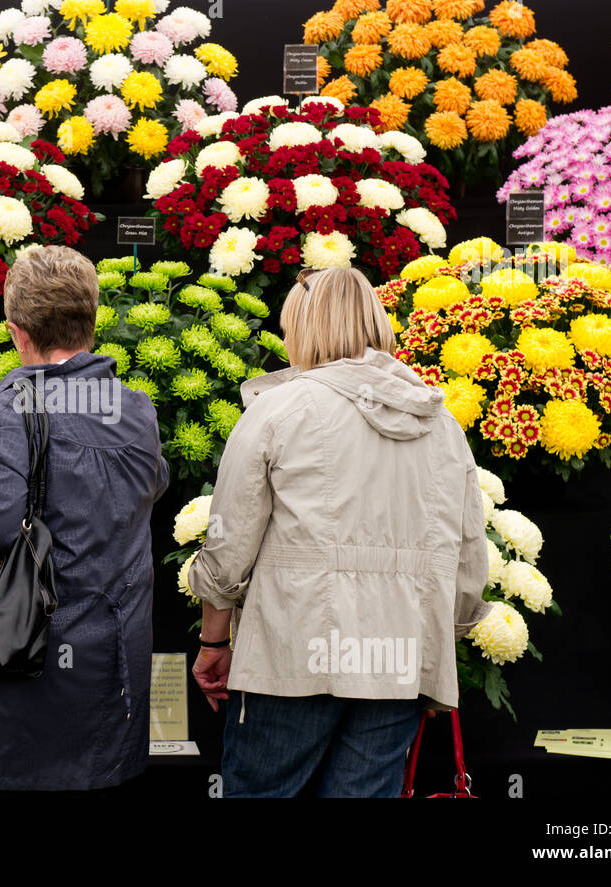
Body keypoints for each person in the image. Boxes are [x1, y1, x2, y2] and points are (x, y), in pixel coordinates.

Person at [189, 267, 491, 798]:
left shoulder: (277, 409)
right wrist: (445, 636)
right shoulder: (442, 423)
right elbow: (469, 562)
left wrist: (214, 640)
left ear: (303, 328)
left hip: (293, 655)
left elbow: (229, 546)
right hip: (398, 660)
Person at [0, 245, 169, 796]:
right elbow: (150, 483)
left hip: (12, 692)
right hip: (106, 687)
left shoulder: (15, 407)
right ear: (92, 320)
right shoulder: (136, 409)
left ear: (16, 333)